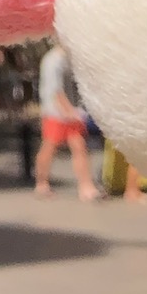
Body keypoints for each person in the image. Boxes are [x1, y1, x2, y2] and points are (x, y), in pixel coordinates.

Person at [34, 39, 99, 201]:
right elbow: (55, 90)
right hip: (55, 113)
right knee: (49, 147)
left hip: (71, 112)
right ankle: (41, 183)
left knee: (79, 147)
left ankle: (86, 186)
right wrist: (68, 111)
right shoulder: (53, 61)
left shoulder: (69, 58)